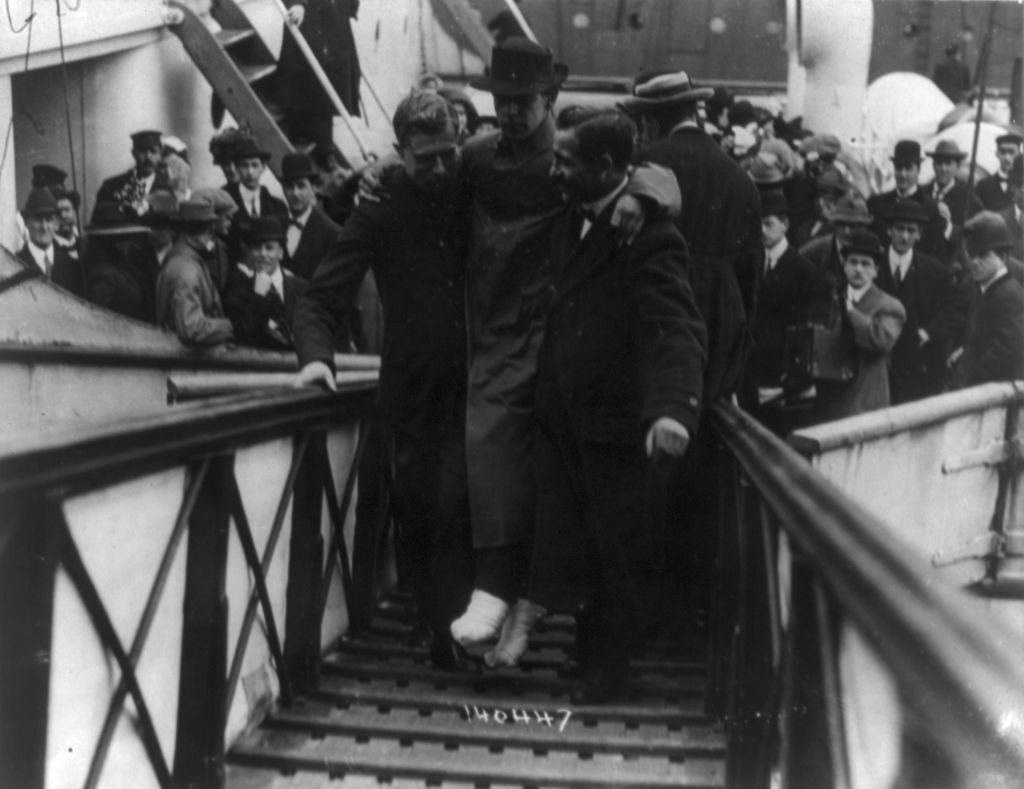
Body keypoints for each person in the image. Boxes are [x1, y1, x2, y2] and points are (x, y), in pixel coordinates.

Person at [520, 110, 707, 702]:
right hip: (572, 420)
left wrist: (674, 408)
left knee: (617, 550)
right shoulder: (581, 213)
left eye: (566, 162)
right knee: (584, 544)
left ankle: (611, 670)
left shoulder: (649, 235)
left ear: (604, 168)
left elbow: (674, 325)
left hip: (615, 425)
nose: (556, 170)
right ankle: (591, 650)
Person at [294, 91, 476, 672]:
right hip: (415, 389)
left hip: (480, 385)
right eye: (426, 159)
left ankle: (456, 630)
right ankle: (438, 627)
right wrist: (316, 359)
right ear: (401, 152)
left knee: (463, 508)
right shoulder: (380, 206)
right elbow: (319, 300)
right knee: (423, 509)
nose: (441, 168)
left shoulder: (471, 183)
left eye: (449, 154)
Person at [744, 191, 829, 429]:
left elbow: (810, 332)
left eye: (768, 223)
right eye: (758, 223)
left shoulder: (806, 272)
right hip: (752, 375)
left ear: (785, 225)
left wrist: (792, 379)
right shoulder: (750, 263)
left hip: (783, 382)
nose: (761, 230)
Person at [875, 199, 966, 404]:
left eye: (911, 230)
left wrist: (929, 332)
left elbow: (956, 308)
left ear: (919, 234)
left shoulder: (934, 271)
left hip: (919, 368)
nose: (905, 236)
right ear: (889, 230)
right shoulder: (874, 266)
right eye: (899, 229)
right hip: (877, 367)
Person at [820, 229, 906, 420]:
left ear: (876, 270)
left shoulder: (890, 305)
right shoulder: (832, 298)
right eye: (853, 262)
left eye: (866, 264)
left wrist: (850, 311)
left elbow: (881, 340)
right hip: (830, 399)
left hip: (865, 401)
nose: (858, 269)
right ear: (844, 266)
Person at [278, 0, 361, 166]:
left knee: (329, 81)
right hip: (306, 17)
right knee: (311, 80)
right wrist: (298, 4)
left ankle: (324, 147)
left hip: (332, 18)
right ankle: (320, 147)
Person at [948, 212, 1024, 387]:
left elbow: (1004, 352)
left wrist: (968, 379)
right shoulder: (985, 288)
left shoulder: (1009, 295)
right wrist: (965, 353)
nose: (974, 262)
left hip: (1003, 394)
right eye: (972, 254)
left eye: (983, 255)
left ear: (1003, 257)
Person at [155, 200, 234, 347]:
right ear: (210, 229)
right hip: (185, 362)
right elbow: (191, 329)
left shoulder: (186, 260)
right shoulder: (185, 268)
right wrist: (231, 326)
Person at [224, 217, 307, 349]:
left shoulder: (301, 289)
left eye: (269, 248)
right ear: (250, 252)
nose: (263, 254)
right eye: (257, 248)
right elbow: (245, 338)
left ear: (280, 253)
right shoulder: (238, 292)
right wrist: (259, 297)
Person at [867, 140, 948, 261]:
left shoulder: (930, 207)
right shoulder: (877, 204)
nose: (903, 174)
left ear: (918, 170)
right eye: (899, 168)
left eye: (909, 168)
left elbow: (936, 252)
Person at [84, 202, 159, 324]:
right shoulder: (103, 273)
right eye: (126, 238)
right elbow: (98, 319)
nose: (130, 243)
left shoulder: (127, 266)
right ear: (115, 243)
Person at [278, 152, 344, 280]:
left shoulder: (332, 233)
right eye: (290, 187)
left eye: (301, 186)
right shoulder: (276, 224)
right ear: (283, 189)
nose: (296, 193)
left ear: (313, 188)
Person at [17, 188, 85, 297]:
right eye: (38, 219)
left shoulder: (73, 267)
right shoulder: (16, 264)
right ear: (26, 223)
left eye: (49, 220)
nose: (44, 227)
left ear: (56, 224)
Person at [94, 130, 171, 218]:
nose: (148, 156)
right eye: (142, 151)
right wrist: (125, 207)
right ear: (133, 153)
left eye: (153, 151)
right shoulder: (111, 186)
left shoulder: (169, 186)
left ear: (160, 154)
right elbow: (98, 217)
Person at [925, 140, 983, 232]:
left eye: (948, 163)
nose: (943, 169)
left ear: (958, 166)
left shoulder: (970, 201)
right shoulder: (922, 193)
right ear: (933, 165)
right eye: (939, 163)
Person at [976, 133, 1024, 214]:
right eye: (1003, 152)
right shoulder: (983, 185)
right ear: (997, 153)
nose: (1007, 157)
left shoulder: (1023, 185)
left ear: (1019, 154)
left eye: (1011, 152)